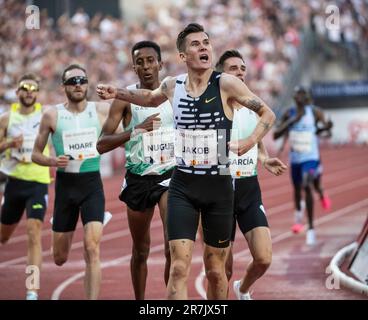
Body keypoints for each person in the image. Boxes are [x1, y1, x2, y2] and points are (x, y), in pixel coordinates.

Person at [97, 23, 276, 300]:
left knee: (216, 271)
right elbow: (149, 98)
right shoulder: (173, 85)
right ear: (183, 56)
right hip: (182, 186)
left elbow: (267, 113)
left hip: (218, 188)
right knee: (179, 266)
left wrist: (250, 141)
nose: (204, 46)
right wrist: (117, 92)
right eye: (195, 44)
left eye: (206, 42)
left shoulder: (226, 83)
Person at [96, 41, 174, 300]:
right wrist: (135, 130)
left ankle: (170, 301)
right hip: (139, 179)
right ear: (133, 67)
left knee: (172, 248)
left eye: (151, 60)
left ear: (160, 64)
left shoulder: (174, 94)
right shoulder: (124, 99)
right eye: (140, 62)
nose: (146, 66)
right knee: (141, 250)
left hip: (170, 176)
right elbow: (101, 144)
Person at [32, 64, 111, 299]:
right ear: (63, 86)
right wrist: (53, 161)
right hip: (65, 188)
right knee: (59, 257)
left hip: (92, 185)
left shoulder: (101, 110)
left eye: (82, 80)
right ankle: (61, 220)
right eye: (72, 81)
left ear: (87, 84)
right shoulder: (52, 114)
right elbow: (35, 154)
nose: (78, 84)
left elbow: (125, 123)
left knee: (91, 247)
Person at [214, 49, 287, 300]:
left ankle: (242, 289)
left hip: (248, 188)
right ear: (221, 75)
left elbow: (258, 145)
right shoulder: (214, 108)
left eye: (243, 68)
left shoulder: (253, 107)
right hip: (220, 190)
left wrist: (265, 159)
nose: (240, 73)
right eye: (233, 68)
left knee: (264, 258)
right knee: (224, 267)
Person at [0, 74, 51, 300]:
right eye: (25, 88)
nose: (29, 91)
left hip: (38, 183)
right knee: (3, 236)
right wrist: (10, 143)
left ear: (37, 93)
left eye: (33, 88)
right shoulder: (6, 119)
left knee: (33, 233)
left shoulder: (45, 116)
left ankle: (32, 289)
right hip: (14, 183)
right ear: (18, 92)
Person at [273, 86, 333, 245]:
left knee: (309, 184)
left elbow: (325, 132)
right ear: (294, 97)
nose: (299, 97)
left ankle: (311, 228)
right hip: (296, 160)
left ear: (307, 97)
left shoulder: (315, 112)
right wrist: (293, 121)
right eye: (297, 94)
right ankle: (298, 219)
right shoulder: (289, 113)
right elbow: (276, 134)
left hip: (311, 158)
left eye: (302, 94)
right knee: (298, 189)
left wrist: (326, 129)